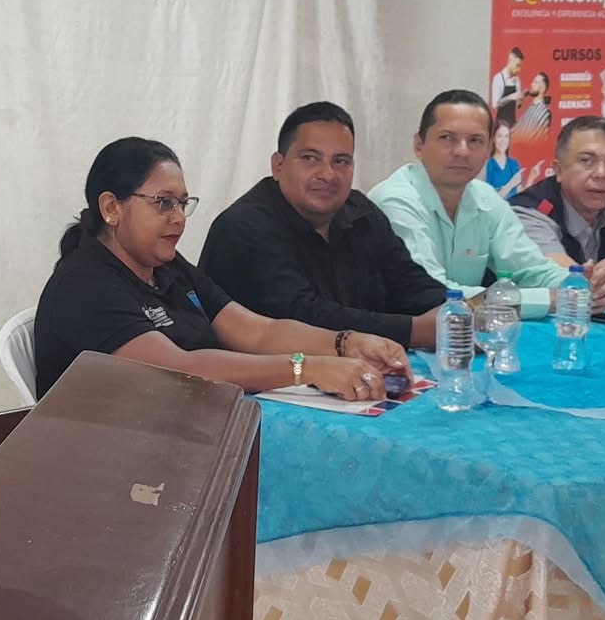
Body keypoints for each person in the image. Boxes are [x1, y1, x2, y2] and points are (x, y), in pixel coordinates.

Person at [34, 137, 407, 399]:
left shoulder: (166, 267)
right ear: (111, 208)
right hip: (105, 462)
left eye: (183, 204)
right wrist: (305, 369)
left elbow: (257, 332)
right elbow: (181, 370)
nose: (179, 218)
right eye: (163, 203)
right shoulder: (84, 286)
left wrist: (347, 343)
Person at [200, 103, 449, 349]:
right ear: (278, 165)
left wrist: (452, 312)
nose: (328, 174)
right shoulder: (243, 228)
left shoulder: (361, 212)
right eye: (310, 158)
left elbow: (411, 284)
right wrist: (416, 331)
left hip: (365, 366)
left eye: (341, 161)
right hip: (277, 372)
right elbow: (304, 318)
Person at [369, 90, 568, 317]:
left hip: (461, 332)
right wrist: (545, 299)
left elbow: (532, 270)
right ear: (419, 145)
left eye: (475, 141)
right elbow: (432, 294)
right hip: (394, 334)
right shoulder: (395, 200)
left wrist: (579, 287)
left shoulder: (486, 198)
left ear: (488, 149)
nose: (462, 151)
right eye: (447, 138)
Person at [510, 116, 605, 305]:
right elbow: (573, 283)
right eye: (587, 160)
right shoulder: (529, 213)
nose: (601, 173)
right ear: (558, 170)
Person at [483, 120, 523, 198]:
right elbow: (488, 200)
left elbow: (520, 194)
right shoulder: (487, 165)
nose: (503, 140)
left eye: (506, 136)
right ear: (493, 138)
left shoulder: (513, 163)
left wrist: (532, 176)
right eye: (499, 136)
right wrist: (510, 185)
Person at [491, 47, 523, 112]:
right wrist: (510, 97)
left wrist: (520, 101)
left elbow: (517, 106)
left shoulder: (517, 80)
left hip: (513, 118)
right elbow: (495, 105)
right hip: (501, 118)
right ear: (510, 61)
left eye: (520, 66)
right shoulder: (498, 78)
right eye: (517, 65)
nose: (519, 69)